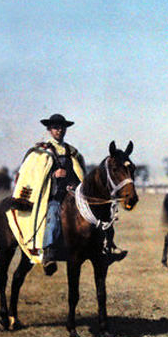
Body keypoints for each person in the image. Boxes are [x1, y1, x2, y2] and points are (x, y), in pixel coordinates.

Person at [36, 114, 125, 275]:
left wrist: (75, 183)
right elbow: (37, 175)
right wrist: (53, 175)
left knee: (99, 214)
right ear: (49, 130)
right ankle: (48, 253)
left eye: (62, 127)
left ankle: (107, 247)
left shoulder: (72, 152)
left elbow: (79, 173)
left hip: (73, 193)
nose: (60, 130)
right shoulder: (42, 151)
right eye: (56, 127)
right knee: (54, 214)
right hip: (53, 195)